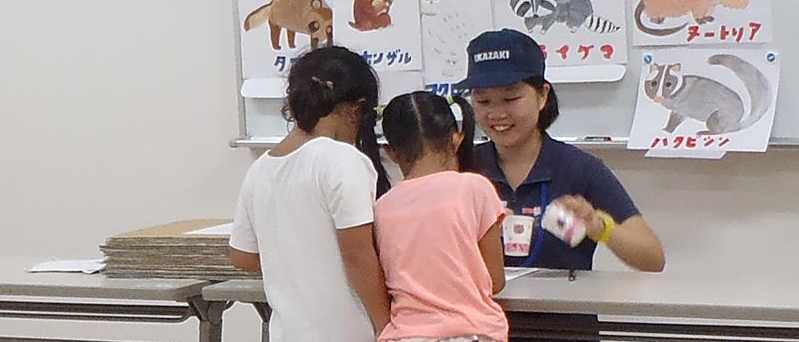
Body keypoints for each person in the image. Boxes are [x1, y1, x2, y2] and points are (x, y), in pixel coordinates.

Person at [461, 28, 665, 273]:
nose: (496, 114)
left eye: (511, 98)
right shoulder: (462, 167)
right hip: (479, 311)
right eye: (483, 101)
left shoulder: (579, 168)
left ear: (542, 96)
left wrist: (600, 227)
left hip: (562, 310)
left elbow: (653, 259)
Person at [228, 46, 392, 342]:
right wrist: (387, 326)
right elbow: (358, 254)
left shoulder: (261, 169)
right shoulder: (342, 160)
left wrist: (295, 257)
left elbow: (241, 255)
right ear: (357, 109)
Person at [374, 91, 508, 342]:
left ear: (391, 151)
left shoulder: (382, 206)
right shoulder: (475, 188)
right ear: (455, 139)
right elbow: (495, 280)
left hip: (405, 335)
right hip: (472, 332)